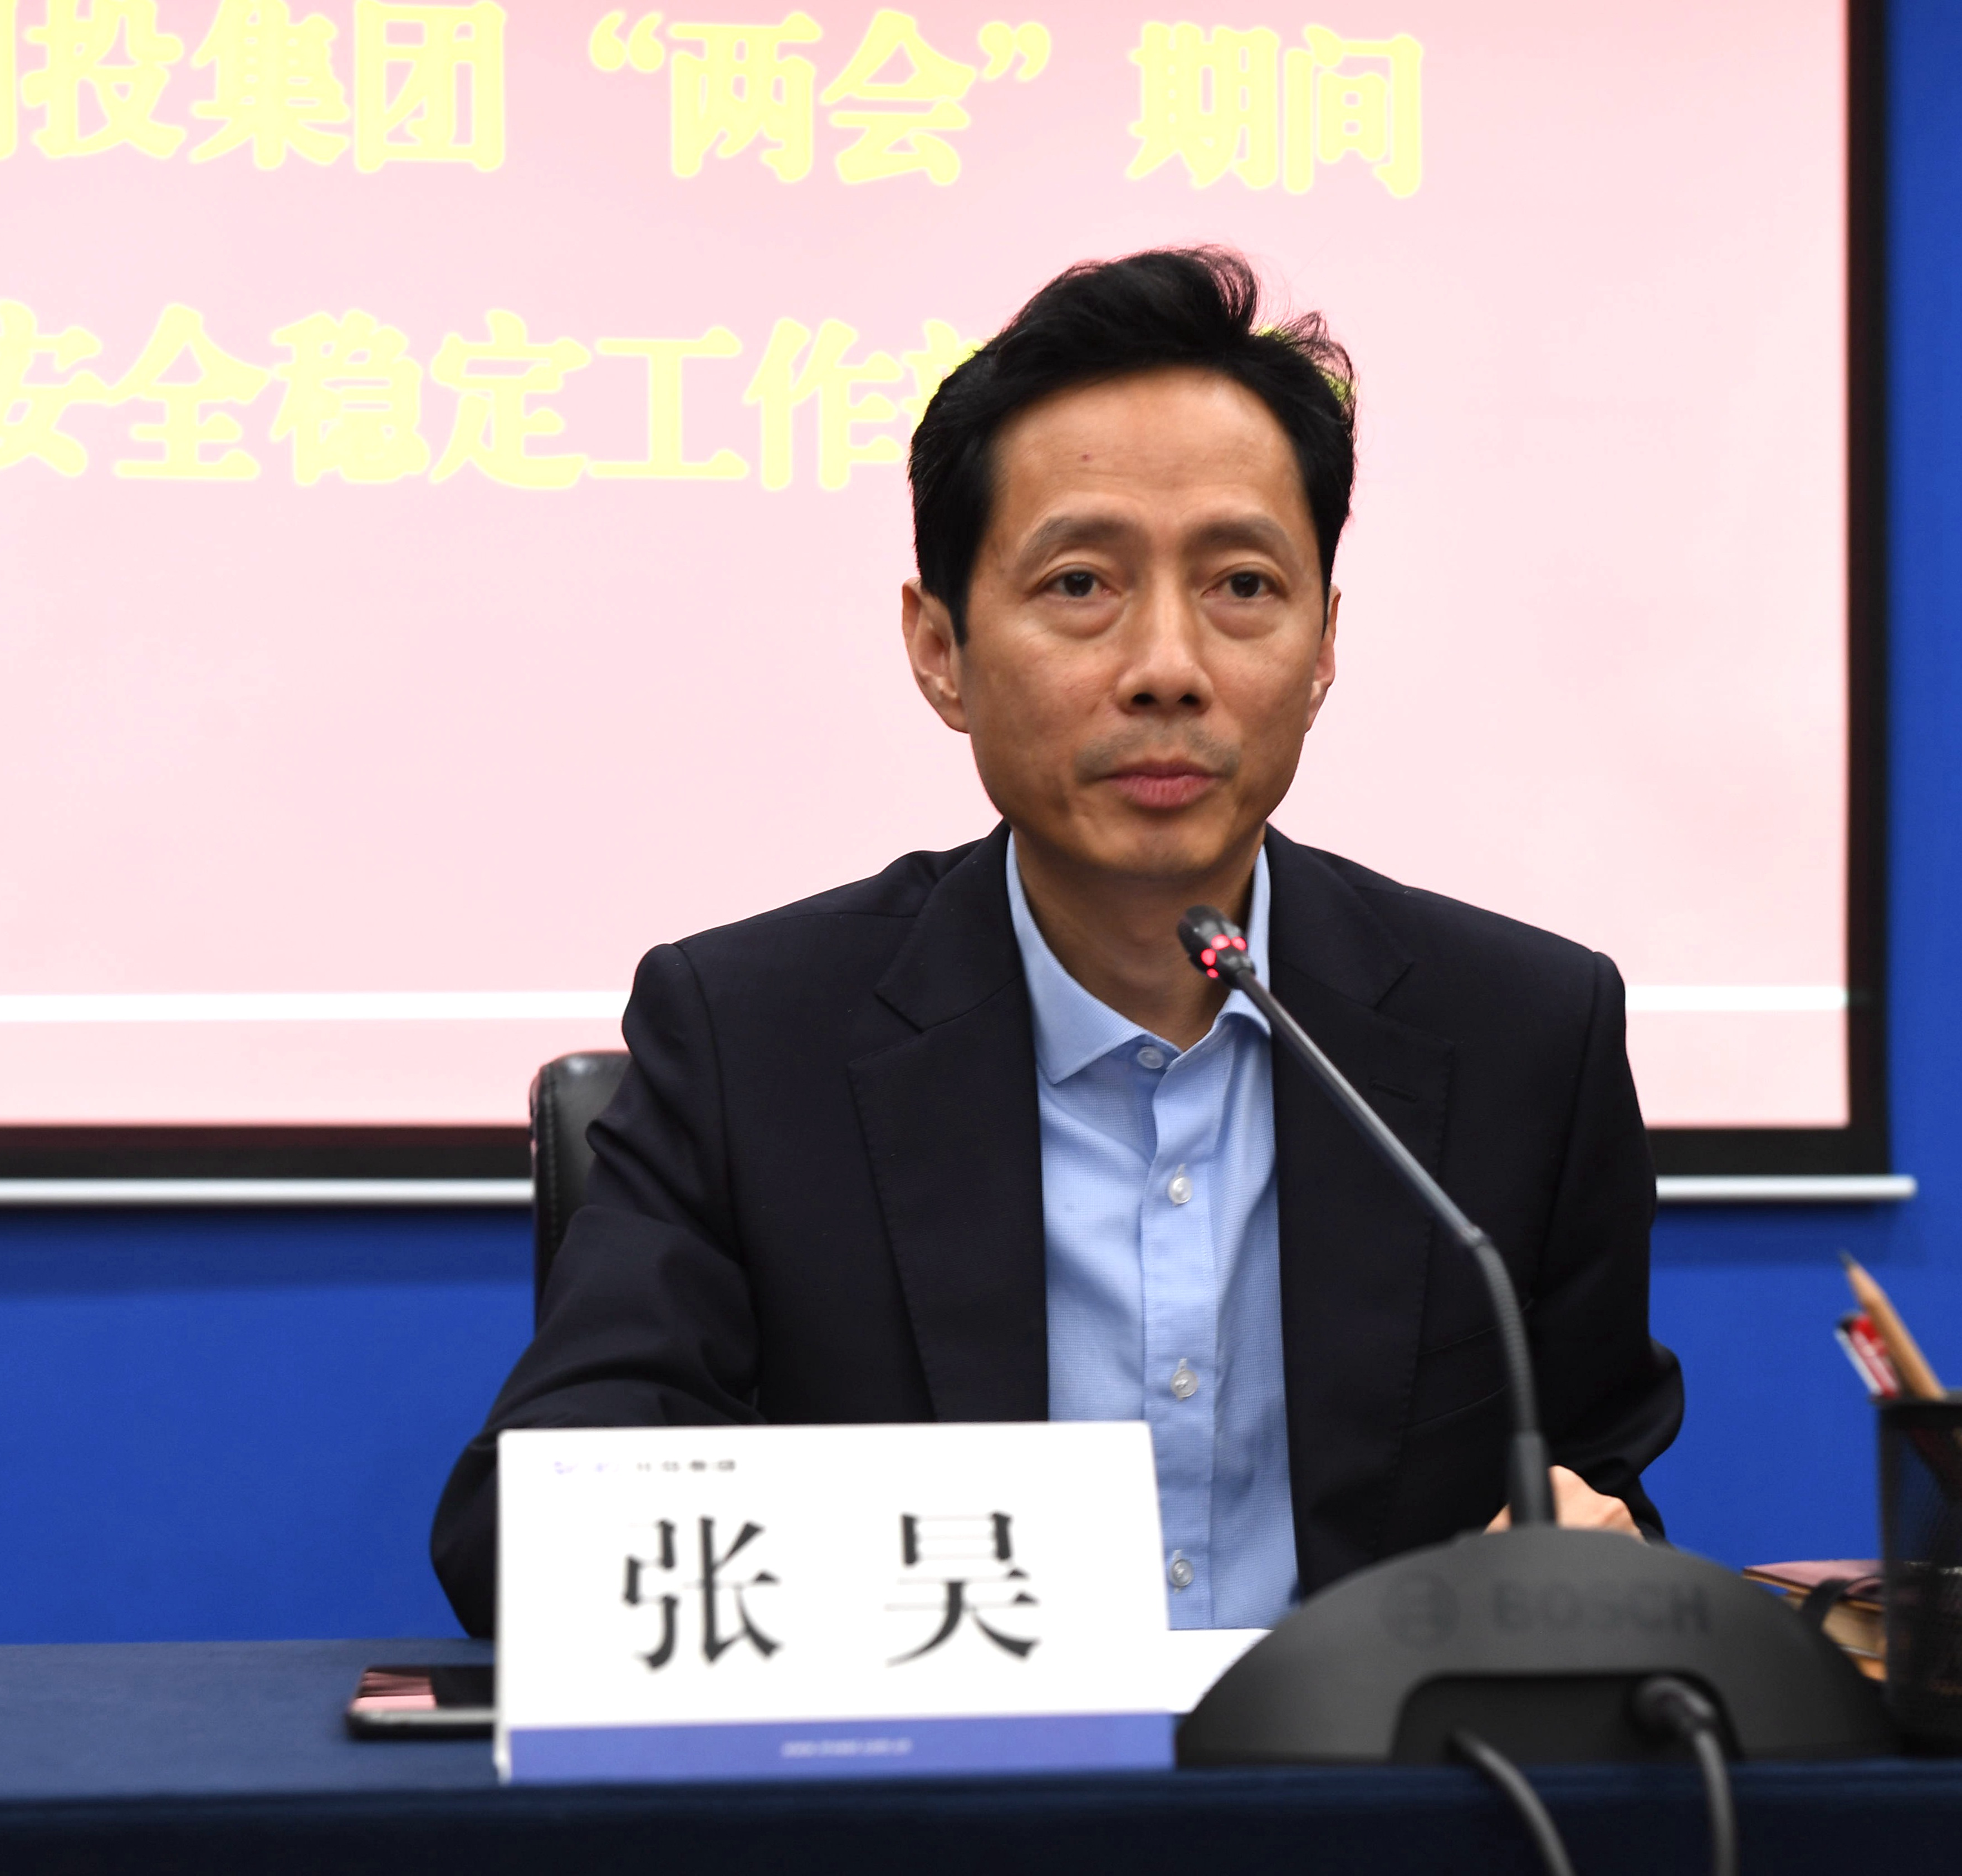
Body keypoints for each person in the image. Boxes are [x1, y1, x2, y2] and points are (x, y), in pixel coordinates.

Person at [431, 248, 1682, 1637]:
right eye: (1082, 582)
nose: (1168, 667)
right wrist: (973, 1603)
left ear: (1325, 643)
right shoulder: (752, 1041)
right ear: (940, 649)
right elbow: (525, 1532)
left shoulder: (1522, 1037)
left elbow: (1598, 1485)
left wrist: (1582, 1554)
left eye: (1244, 584)